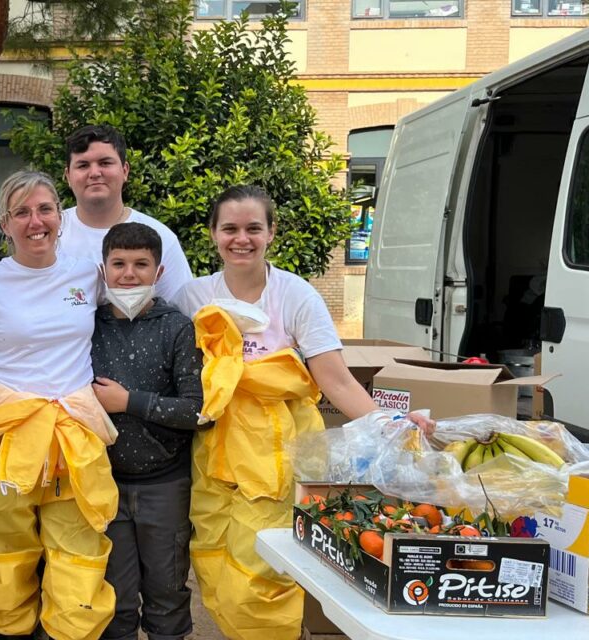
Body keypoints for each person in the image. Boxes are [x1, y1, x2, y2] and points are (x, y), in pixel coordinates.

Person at [172, 185, 433, 640]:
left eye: (254, 228)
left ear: (271, 232)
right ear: (213, 233)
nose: (242, 239)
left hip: (277, 456)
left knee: (260, 575)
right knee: (212, 562)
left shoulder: (295, 296)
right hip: (212, 453)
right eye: (230, 228)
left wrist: (389, 426)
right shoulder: (193, 297)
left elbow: (335, 379)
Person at [0, 170, 119, 640]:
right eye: (22, 212)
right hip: (4, 437)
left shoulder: (87, 274)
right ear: (4, 224)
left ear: (60, 217)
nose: (36, 221)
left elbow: (141, 301)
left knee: (78, 551)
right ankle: (7, 632)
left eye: (45, 209)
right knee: (4, 553)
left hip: (74, 434)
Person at [90, 223, 203, 640]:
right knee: (113, 597)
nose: (129, 273)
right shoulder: (88, 327)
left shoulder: (177, 327)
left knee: (167, 592)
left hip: (166, 485)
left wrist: (129, 402)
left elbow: (195, 410)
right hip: (105, 485)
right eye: (118, 263)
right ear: (103, 270)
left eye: (141, 264)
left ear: (158, 272)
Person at [58, 124, 194, 302]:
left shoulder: (161, 237)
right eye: (83, 165)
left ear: (125, 171)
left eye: (105, 163)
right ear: (68, 176)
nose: (95, 173)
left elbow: (182, 312)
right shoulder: (51, 234)